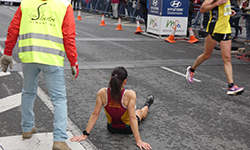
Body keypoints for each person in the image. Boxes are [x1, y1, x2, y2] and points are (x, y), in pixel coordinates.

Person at [0, 0, 79, 149]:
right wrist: (73, 61)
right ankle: (59, 140)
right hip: (52, 59)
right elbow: (69, 36)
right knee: (59, 99)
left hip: (29, 57)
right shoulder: (63, 6)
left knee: (28, 92)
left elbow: (13, 28)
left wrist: (8, 52)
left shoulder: (26, 4)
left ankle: (27, 128)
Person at [70, 67, 153, 150]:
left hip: (112, 128)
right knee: (138, 112)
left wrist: (85, 135)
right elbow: (132, 118)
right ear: (125, 81)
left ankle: (147, 104)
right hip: (128, 129)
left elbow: (95, 114)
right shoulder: (130, 94)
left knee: (134, 113)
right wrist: (139, 141)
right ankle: (148, 103)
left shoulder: (102, 92)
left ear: (111, 78)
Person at [185, 0, 244, 96]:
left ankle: (231, 86)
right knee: (206, 55)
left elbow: (222, 10)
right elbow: (202, 9)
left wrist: (229, 12)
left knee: (227, 58)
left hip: (225, 30)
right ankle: (191, 70)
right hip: (214, 29)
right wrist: (216, 3)